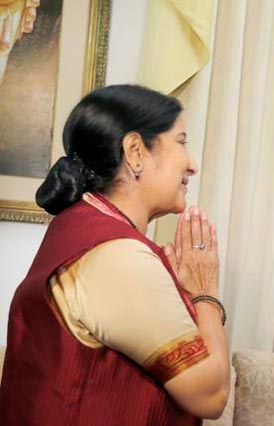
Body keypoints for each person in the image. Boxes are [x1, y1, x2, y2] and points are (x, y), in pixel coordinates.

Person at [0, 84, 230, 425]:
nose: (192, 165)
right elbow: (210, 396)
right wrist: (205, 293)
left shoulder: (79, 226)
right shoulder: (118, 256)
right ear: (135, 151)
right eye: (181, 141)